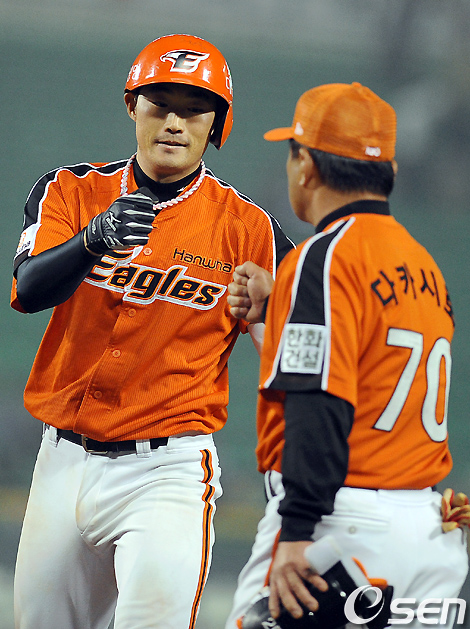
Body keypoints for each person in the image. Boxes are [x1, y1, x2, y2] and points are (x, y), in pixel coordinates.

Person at [10, 34, 293, 629]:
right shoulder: (71, 190)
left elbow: (293, 354)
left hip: (167, 469)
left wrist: (270, 312)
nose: (174, 122)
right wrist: (91, 240)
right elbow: (29, 291)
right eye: (160, 103)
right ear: (131, 106)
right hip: (61, 458)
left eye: (194, 109)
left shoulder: (250, 229)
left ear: (217, 123)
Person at [225, 82, 469, 628]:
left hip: (340, 528)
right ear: (391, 172)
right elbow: (365, 367)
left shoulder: (322, 257)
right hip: (429, 529)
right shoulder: (424, 266)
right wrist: (278, 312)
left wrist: (297, 530)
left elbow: (319, 401)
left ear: (305, 165)